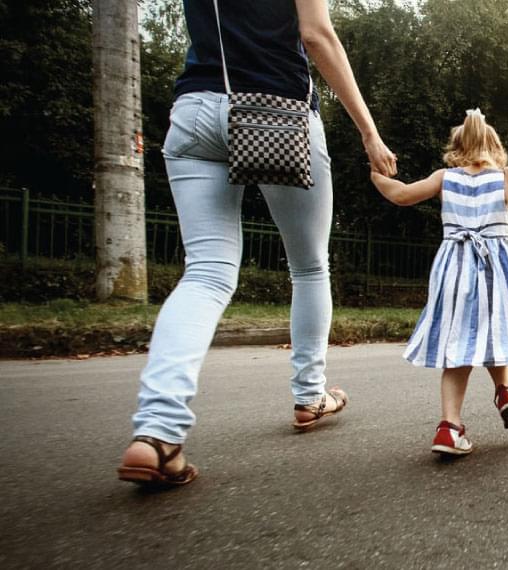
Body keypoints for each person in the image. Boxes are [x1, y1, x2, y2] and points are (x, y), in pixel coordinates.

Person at [117, 0, 397, 487]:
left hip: (196, 109)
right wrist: (369, 134)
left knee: (205, 272)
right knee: (309, 266)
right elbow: (317, 36)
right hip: (278, 113)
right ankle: (310, 395)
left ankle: (157, 431)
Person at [369, 104, 508, 456]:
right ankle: (506, 392)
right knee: (494, 330)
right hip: (496, 266)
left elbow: (400, 194)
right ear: (494, 146)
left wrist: (376, 173)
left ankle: (449, 427)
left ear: (456, 148)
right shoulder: (505, 177)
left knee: (459, 345)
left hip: (454, 266)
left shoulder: (443, 178)